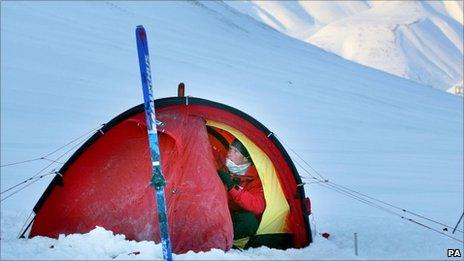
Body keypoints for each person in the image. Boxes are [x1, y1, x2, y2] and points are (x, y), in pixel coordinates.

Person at [217, 138, 266, 241]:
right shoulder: (221, 166)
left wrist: (232, 186)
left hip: (234, 217)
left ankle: (229, 242)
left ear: (246, 158)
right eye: (230, 149)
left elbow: (257, 205)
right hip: (217, 213)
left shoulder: (256, 178)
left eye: (235, 151)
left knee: (248, 221)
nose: (229, 153)